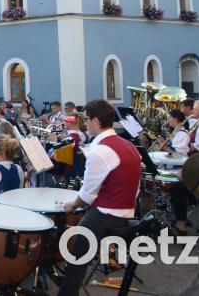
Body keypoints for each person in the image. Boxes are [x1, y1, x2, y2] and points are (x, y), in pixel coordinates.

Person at [60, 100, 142, 294]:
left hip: (107, 214)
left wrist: (71, 206)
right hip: (127, 209)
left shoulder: (100, 150)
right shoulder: (128, 145)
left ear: (96, 120)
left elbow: (87, 196)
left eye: (86, 119)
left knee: (76, 255)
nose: (85, 124)